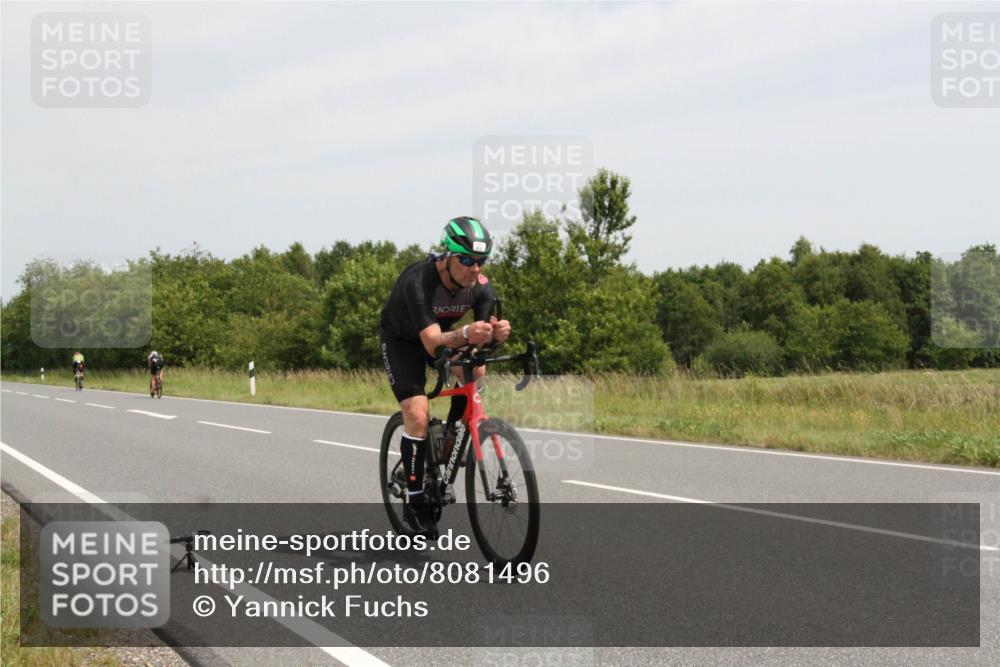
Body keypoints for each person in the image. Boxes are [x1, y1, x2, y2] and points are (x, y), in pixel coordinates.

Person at [379, 216, 511, 536]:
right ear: (447, 256)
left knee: (476, 370)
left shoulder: (481, 287)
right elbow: (431, 343)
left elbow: (477, 343)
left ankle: (450, 440)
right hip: (404, 342)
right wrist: (467, 331)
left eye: (480, 261)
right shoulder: (419, 281)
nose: (474, 268)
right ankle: (414, 499)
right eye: (466, 260)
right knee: (418, 413)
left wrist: (495, 334)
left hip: (441, 335)